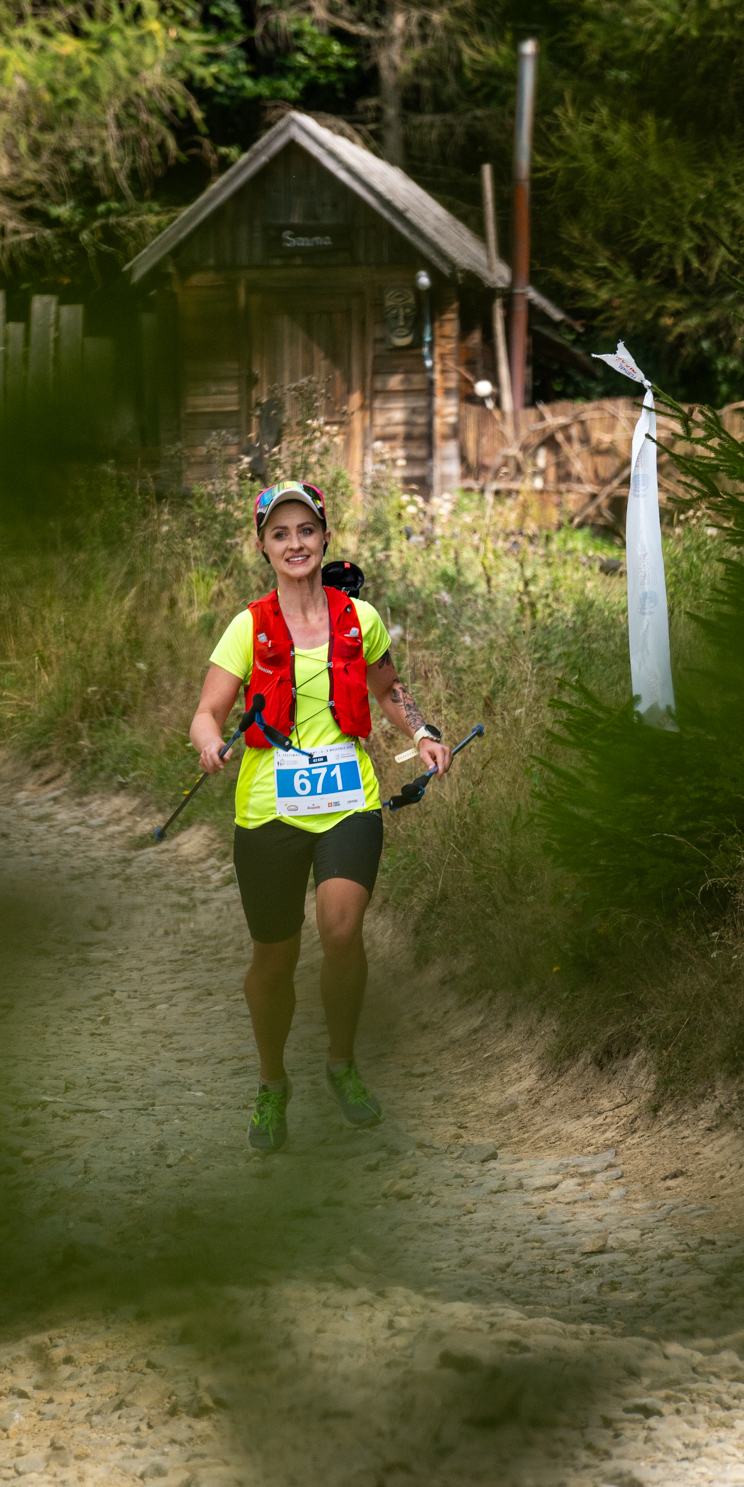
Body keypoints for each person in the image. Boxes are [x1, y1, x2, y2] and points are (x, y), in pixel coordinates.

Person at [190, 479, 452, 1152]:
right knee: (273, 960)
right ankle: (272, 1082)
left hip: (348, 802)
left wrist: (422, 733)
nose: (295, 543)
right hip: (267, 811)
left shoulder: (358, 618)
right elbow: (207, 712)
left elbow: (389, 690)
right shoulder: (248, 627)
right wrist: (209, 744)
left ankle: (341, 1062)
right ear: (263, 547)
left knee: (341, 930)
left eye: (305, 530)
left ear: (324, 536)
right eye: (280, 534)